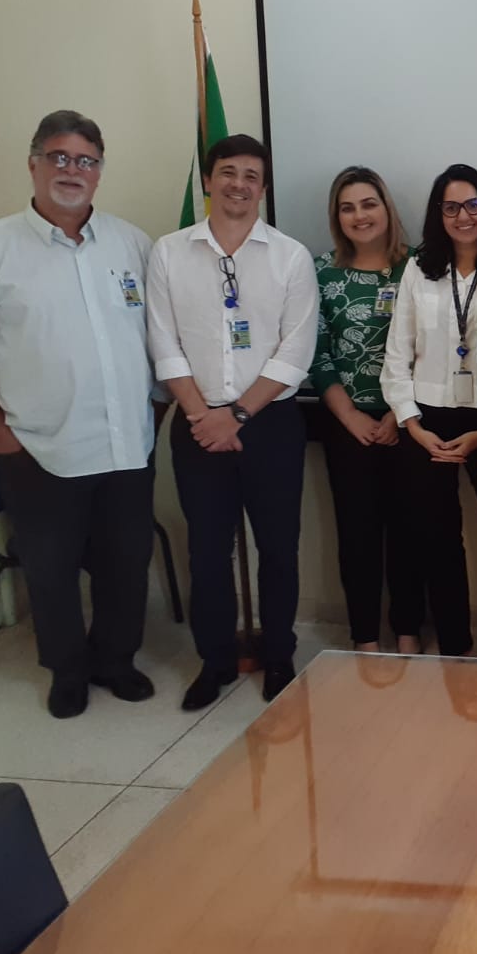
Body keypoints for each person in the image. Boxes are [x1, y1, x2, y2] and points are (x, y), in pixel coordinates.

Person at [0, 110, 158, 718]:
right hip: (36, 448)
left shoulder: (131, 244)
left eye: (85, 160)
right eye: (58, 157)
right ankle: (67, 671)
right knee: (51, 571)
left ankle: (115, 659)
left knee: (125, 562)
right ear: (32, 164)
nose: (72, 170)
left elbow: (157, 339)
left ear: (100, 172)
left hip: (125, 445)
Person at [146, 134, 319, 710]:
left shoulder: (290, 256)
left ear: (263, 188)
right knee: (207, 552)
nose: (238, 183)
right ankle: (214, 661)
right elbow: (163, 343)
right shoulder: (169, 252)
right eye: (227, 172)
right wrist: (203, 416)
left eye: (250, 175)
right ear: (209, 181)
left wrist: (238, 415)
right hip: (196, 425)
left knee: (278, 548)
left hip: (268, 423)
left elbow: (296, 351)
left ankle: (278, 656)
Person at [381, 164, 477, 656]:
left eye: (473, 204)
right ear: (439, 214)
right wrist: (412, 423)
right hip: (427, 421)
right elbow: (398, 352)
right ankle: (456, 643)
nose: (463, 216)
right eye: (451, 207)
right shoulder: (419, 267)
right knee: (439, 539)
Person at [310, 167, 417, 652]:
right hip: (345, 423)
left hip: (409, 421)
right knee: (357, 534)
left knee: (408, 532)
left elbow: (428, 346)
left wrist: (399, 414)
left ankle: (409, 630)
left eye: (368, 203)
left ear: (386, 207)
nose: (359, 215)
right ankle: (365, 637)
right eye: (347, 207)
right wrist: (351, 417)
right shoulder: (321, 272)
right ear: (337, 216)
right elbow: (317, 351)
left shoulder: (417, 267)